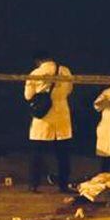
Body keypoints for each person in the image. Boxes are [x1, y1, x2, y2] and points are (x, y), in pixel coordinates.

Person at [24, 52, 75, 193]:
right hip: (62, 114)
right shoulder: (65, 71)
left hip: (44, 116)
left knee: (37, 153)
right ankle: (63, 185)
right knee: (63, 154)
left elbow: (28, 96)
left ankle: (33, 185)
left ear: (38, 61)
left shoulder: (36, 73)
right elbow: (69, 90)